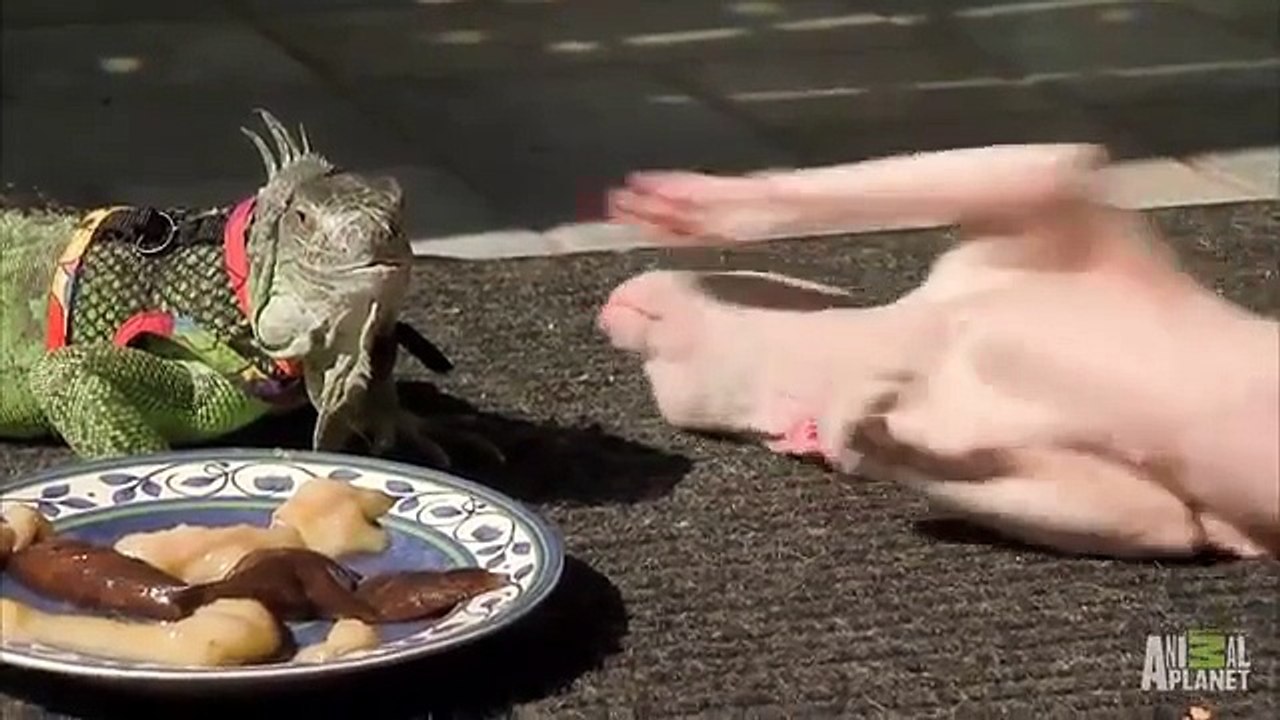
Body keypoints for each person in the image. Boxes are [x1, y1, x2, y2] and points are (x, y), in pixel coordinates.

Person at [598, 144, 1279, 559]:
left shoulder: (982, 283)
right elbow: (1158, 525)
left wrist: (776, 199)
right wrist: (908, 457)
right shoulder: (949, 420)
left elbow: (1054, 174)